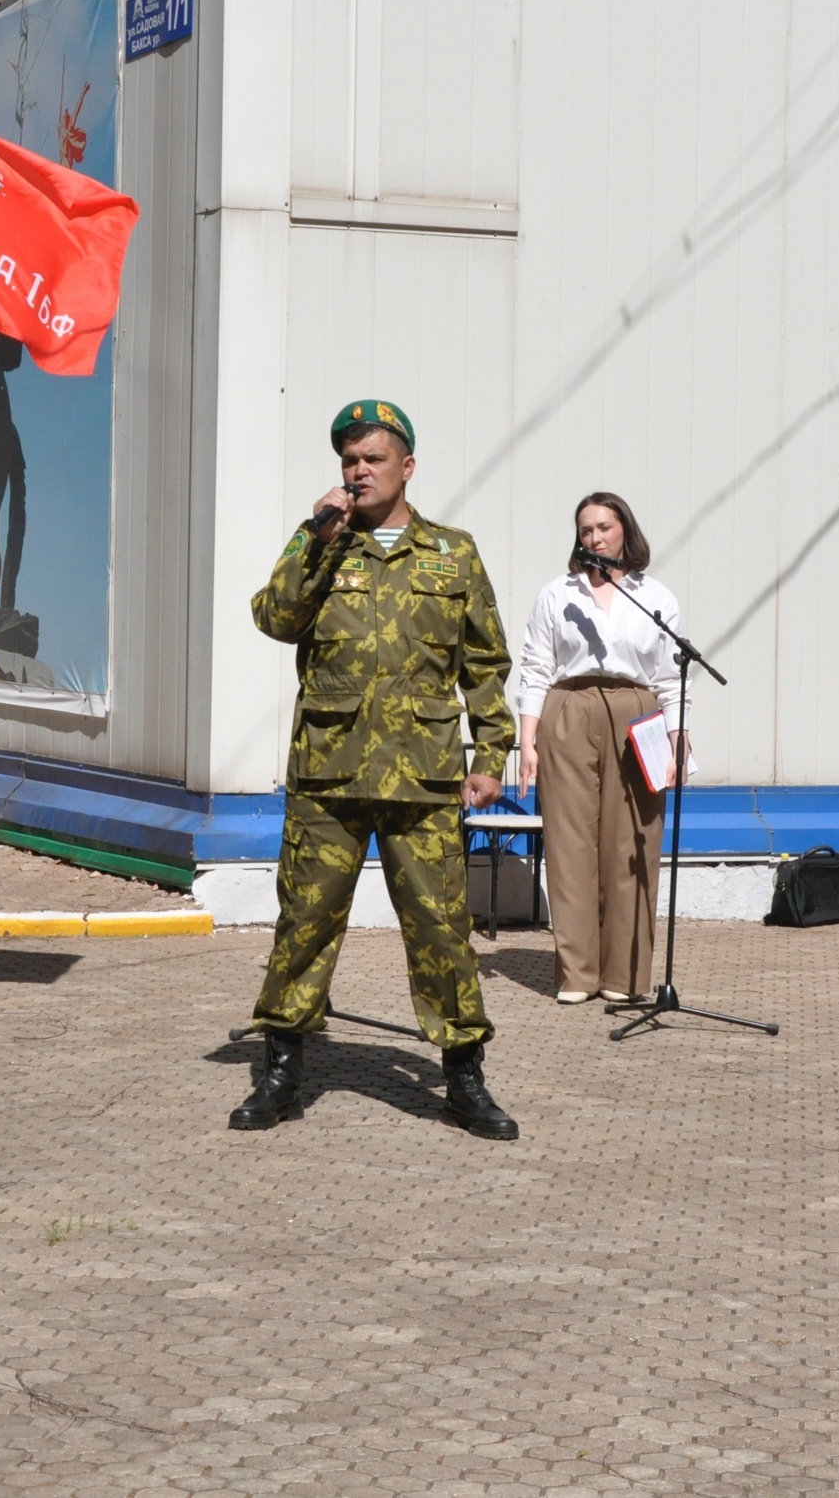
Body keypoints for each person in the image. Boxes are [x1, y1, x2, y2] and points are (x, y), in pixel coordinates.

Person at [233, 399, 521, 1140]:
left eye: (373, 459)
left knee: (441, 930)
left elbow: (485, 663)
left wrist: (490, 756)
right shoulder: (325, 546)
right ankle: (281, 1073)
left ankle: (463, 1076)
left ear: (407, 467)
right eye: (349, 462)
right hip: (329, 778)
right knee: (303, 926)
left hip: (421, 780)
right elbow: (274, 617)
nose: (359, 472)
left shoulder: (452, 554)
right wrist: (313, 533)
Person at [512, 492, 682, 1005]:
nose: (594, 537)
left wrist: (677, 745)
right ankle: (577, 975)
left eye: (604, 527)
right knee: (570, 845)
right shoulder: (556, 594)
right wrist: (527, 740)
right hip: (569, 709)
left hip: (637, 714)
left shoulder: (655, 596)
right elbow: (536, 667)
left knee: (632, 843)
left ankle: (626, 977)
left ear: (624, 530)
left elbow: (673, 678)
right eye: (586, 529)